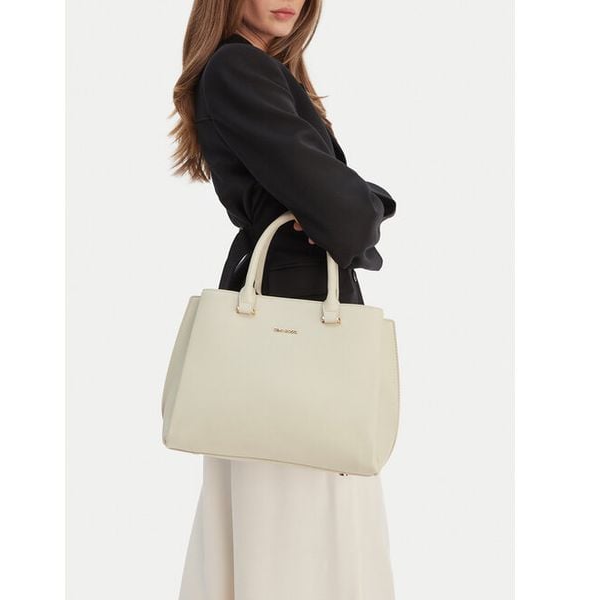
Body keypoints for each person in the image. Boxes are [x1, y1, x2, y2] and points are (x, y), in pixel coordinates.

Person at [168, 1, 397, 598]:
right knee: (302, 531)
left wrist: (348, 206)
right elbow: (348, 216)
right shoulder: (238, 69)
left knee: (289, 529)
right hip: (290, 328)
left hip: (280, 325)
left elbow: (339, 210)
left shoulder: (259, 71)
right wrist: (368, 204)